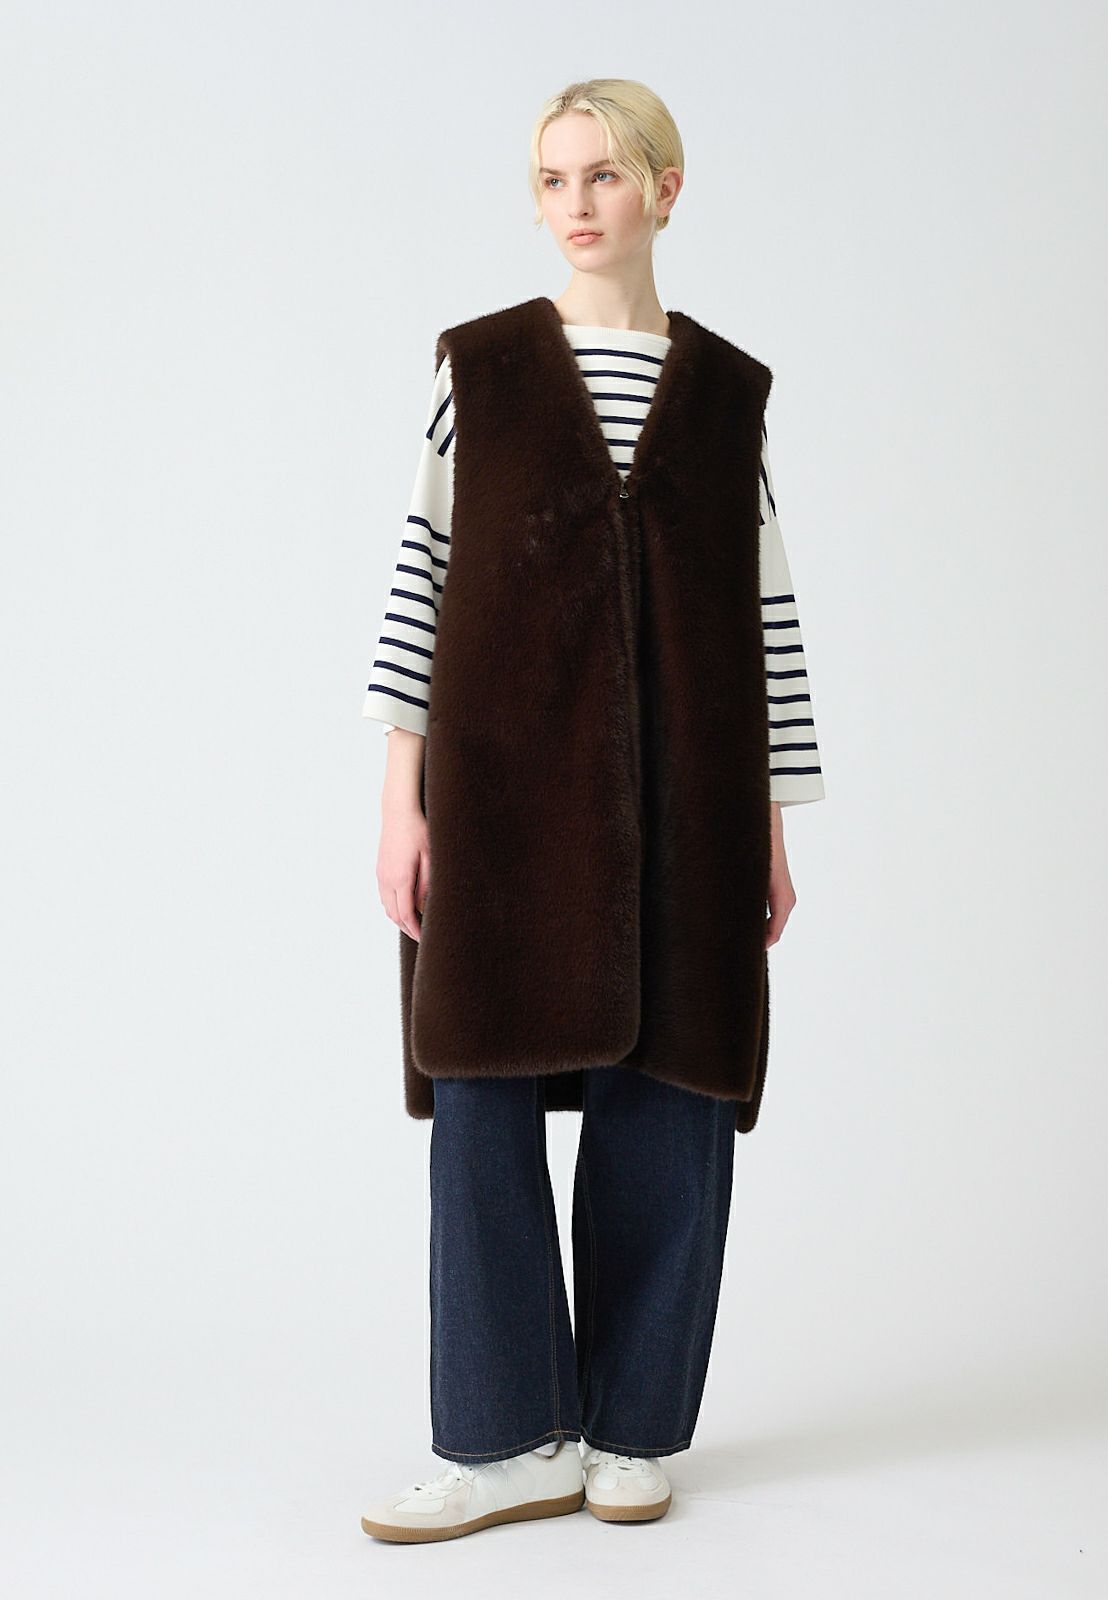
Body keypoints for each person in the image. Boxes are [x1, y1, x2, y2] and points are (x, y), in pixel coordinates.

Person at [358, 78, 825, 1545]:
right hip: (498, 798)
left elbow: (768, 618)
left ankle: (630, 1430)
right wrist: (399, 800)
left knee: (672, 1097)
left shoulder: (728, 396)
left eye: (605, 175)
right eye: (554, 179)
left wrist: (772, 822)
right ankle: (506, 1441)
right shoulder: (484, 371)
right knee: (482, 1101)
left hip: (692, 799)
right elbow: (420, 581)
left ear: (665, 192)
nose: (577, 203)